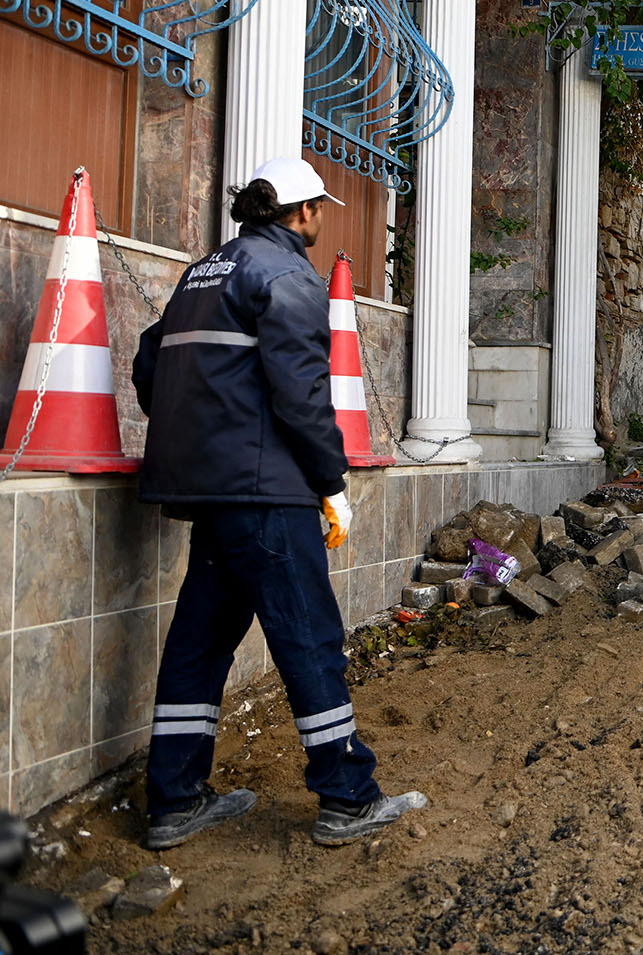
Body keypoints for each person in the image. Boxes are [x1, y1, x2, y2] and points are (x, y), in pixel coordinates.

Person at [131, 157, 426, 849]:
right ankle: (346, 798)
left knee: (198, 645)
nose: (322, 217)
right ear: (301, 213)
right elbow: (301, 395)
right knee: (308, 637)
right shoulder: (289, 276)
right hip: (267, 493)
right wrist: (331, 483)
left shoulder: (202, 272)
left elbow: (152, 366)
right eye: (319, 207)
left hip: (212, 494)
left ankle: (174, 800)